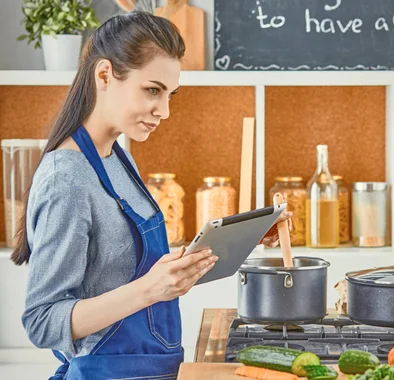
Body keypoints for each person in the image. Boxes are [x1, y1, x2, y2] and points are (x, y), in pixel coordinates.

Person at [10, 11, 291, 380]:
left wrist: (248, 233)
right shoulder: (67, 177)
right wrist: (150, 289)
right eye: (153, 90)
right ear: (105, 75)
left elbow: (127, 268)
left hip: (156, 368)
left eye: (170, 94)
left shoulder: (117, 157)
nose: (165, 111)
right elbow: (42, 321)